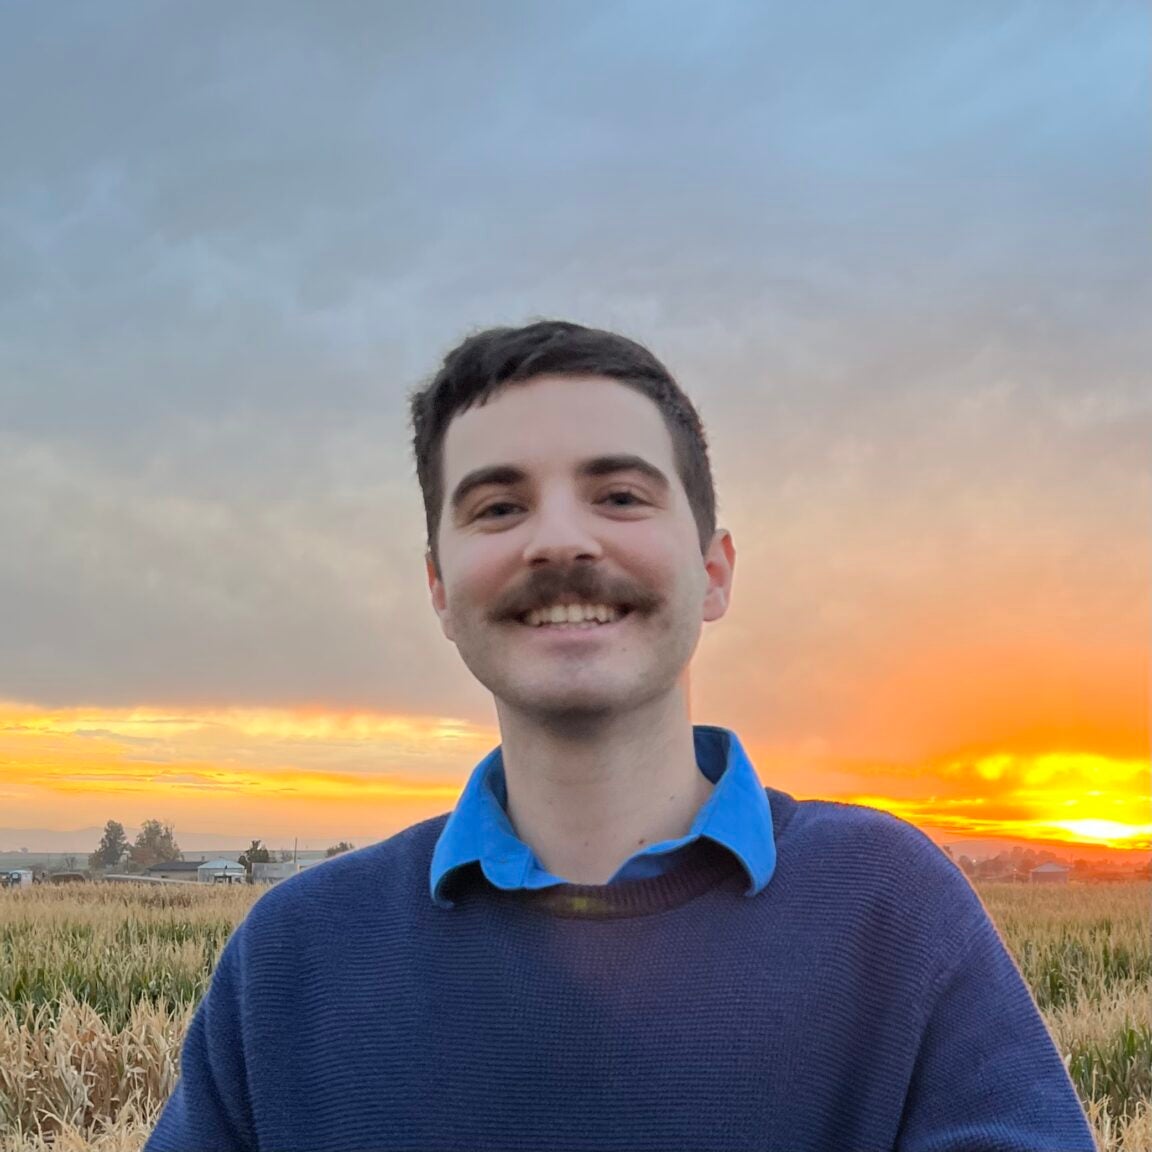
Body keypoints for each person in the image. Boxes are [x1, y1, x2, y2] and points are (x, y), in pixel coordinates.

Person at [147, 320, 1094, 1151]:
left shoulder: (891, 908)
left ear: (714, 571)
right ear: (438, 586)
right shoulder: (295, 958)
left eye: (621, 496)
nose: (559, 541)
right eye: (498, 507)